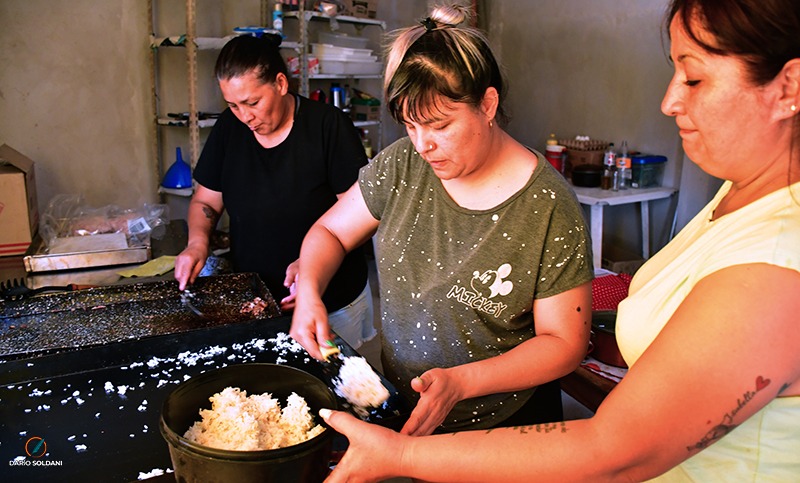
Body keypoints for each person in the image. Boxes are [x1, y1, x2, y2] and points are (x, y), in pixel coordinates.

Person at [315, 0, 800, 481]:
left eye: (693, 77)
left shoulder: (778, 256)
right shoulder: (741, 197)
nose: (669, 101)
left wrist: (401, 457)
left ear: (788, 87)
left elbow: (615, 449)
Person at [291, 3, 594, 435]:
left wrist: (461, 383)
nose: (422, 145)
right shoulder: (400, 167)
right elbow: (330, 232)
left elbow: (564, 343)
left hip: (504, 425)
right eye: (411, 127)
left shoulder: (546, 204)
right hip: (408, 412)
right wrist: (309, 294)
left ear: (487, 104)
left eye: (439, 125)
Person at [173, 34, 376, 350]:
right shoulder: (230, 129)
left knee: (333, 392)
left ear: (281, 84)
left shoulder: (328, 127)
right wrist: (197, 243)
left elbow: (361, 220)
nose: (245, 116)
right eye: (233, 105)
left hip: (332, 300)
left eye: (253, 103)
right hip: (257, 300)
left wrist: (311, 265)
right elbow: (206, 199)